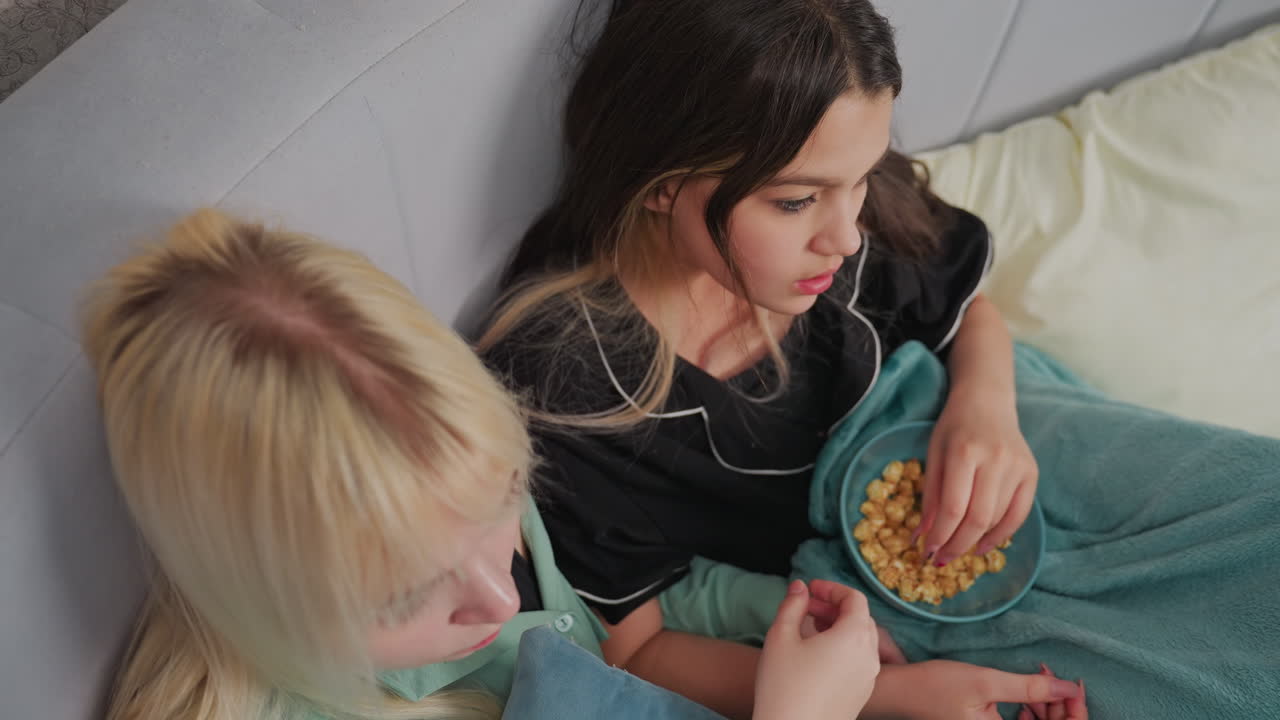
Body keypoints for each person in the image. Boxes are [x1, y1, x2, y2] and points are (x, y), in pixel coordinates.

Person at [478, 1, 1086, 718]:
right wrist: (883, 697)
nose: (849, 237)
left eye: (861, 179)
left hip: (1022, 442)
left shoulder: (842, 200)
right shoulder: (569, 386)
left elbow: (969, 309)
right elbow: (635, 650)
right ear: (665, 181)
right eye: (797, 201)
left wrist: (984, 408)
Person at [87, 209, 885, 720]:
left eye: (506, 494)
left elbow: (606, 617)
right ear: (256, 592)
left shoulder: (458, 517)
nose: (500, 596)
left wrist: (799, 623)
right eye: (405, 596)